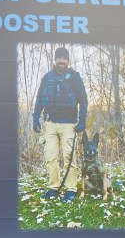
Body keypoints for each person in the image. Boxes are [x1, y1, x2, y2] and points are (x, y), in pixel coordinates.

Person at [32, 46, 88, 203]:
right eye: (59, 58)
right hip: (50, 123)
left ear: (68, 61)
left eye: (64, 58)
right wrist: (35, 118)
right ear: (55, 59)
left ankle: (71, 189)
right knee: (50, 157)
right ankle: (54, 187)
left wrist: (82, 121)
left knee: (69, 157)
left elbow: (83, 99)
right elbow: (39, 99)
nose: (61, 60)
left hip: (69, 124)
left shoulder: (75, 77)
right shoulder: (47, 77)